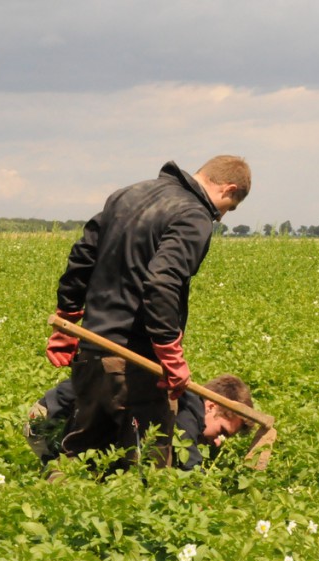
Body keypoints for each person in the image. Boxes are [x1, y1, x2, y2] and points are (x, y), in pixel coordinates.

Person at [44, 156, 251, 469]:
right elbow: (162, 282)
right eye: (228, 208)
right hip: (135, 366)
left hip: (91, 353)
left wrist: (68, 319)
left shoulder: (127, 195)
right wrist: (170, 355)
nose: (221, 217)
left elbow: (82, 256)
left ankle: (53, 509)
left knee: (80, 458)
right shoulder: (194, 216)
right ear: (228, 189)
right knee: (145, 469)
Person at [24, 374, 253, 471]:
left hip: (65, 414)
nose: (219, 442)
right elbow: (187, 455)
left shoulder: (186, 402)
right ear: (211, 406)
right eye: (223, 432)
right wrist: (202, 497)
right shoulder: (187, 406)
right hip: (49, 418)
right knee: (64, 478)